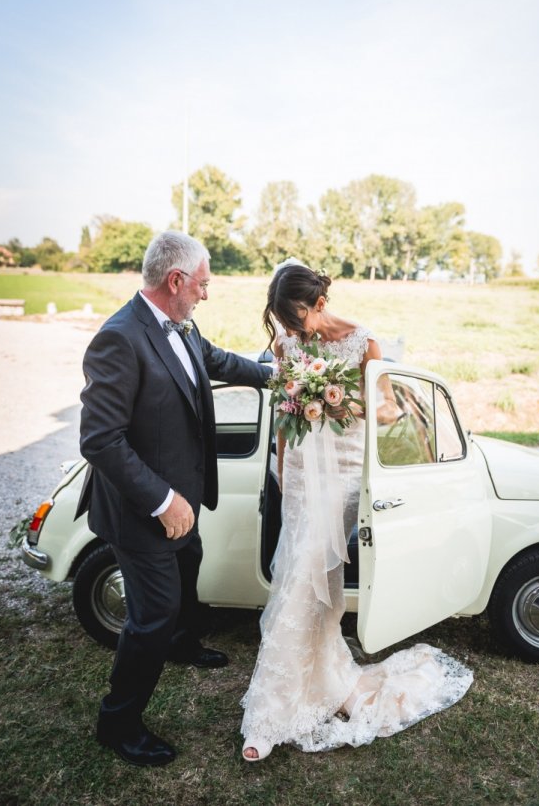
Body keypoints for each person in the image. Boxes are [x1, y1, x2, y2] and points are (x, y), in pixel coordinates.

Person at [241, 263, 473, 761]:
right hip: (301, 474)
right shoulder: (285, 347)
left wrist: (346, 399)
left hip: (344, 471)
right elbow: (284, 413)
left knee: (305, 571)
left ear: (319, 302)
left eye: (298, 318)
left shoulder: (363, 340)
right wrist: (282, 471)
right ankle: (324, 677)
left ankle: (268, 713)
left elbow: (388, 409)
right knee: (300, 575)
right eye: (286, 321)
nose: (295, 330)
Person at [78, 230, 272, 767]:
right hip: (142, 509)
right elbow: (100, 440)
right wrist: (163, 501)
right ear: (176, 280)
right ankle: (118, 722)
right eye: (204, 284)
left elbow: (213, 360)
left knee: (191, 563)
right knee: (152, 614)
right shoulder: (119, 337)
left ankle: (183, 646)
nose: (207, 294)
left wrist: (271, 375)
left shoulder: (181, 324)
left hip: (184, 497)